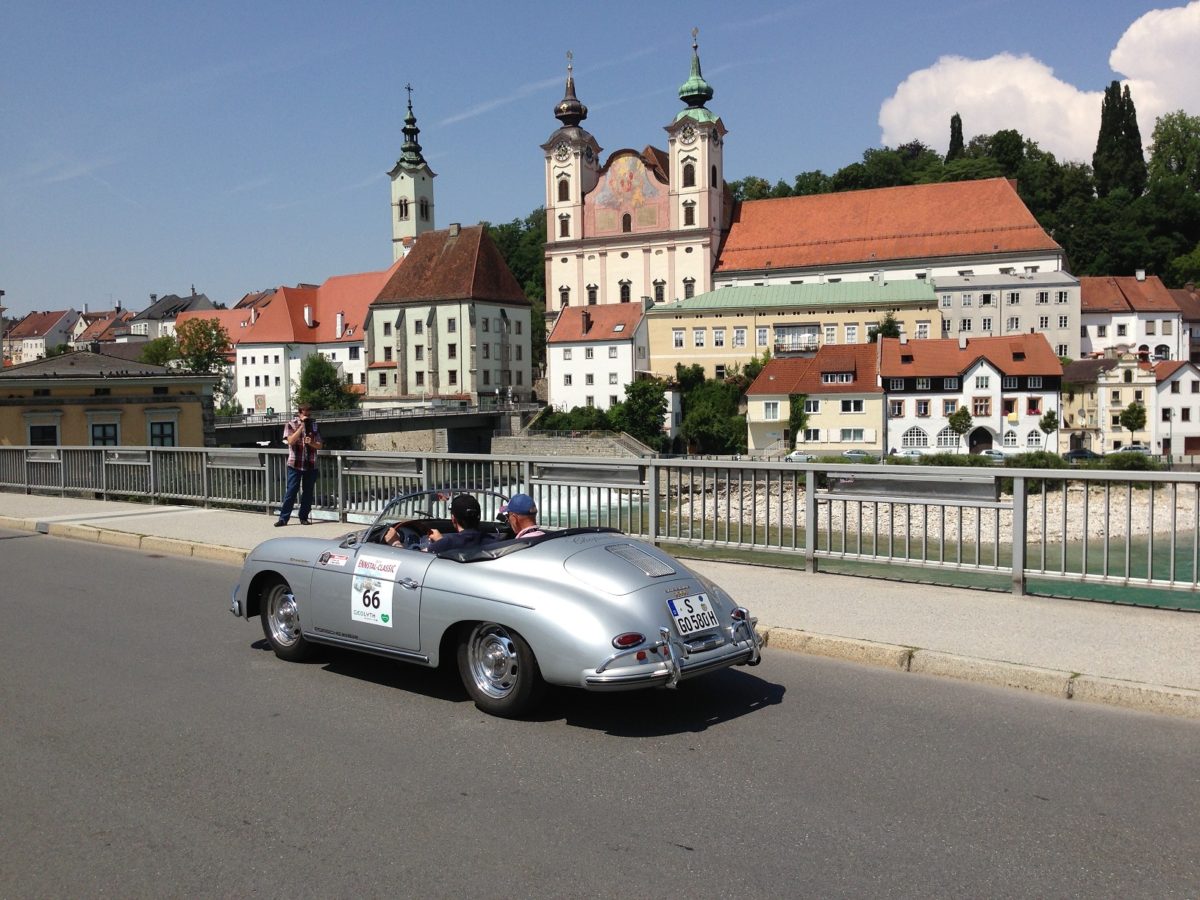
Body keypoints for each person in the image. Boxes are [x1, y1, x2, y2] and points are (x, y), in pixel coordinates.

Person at [385, 494, 485, 552]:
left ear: (453, 519)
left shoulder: (445, 544)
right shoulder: (493, 539)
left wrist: (395, 542)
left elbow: (412, 561)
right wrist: (440, 540)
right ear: (479, 517)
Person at [276, 404, 322, 526]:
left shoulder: (314, 425)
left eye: (308, 414)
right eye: (305, 414)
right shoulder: (291, 424)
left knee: (308, 492)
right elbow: (290, 441)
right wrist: (301, 427)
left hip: (310, 464)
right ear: (299, 413)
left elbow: (319, 445)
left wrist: (311, 442)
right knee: (291, 491)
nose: (307, 416)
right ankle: (283, 519)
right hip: (295, 464)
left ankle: (303, 517)